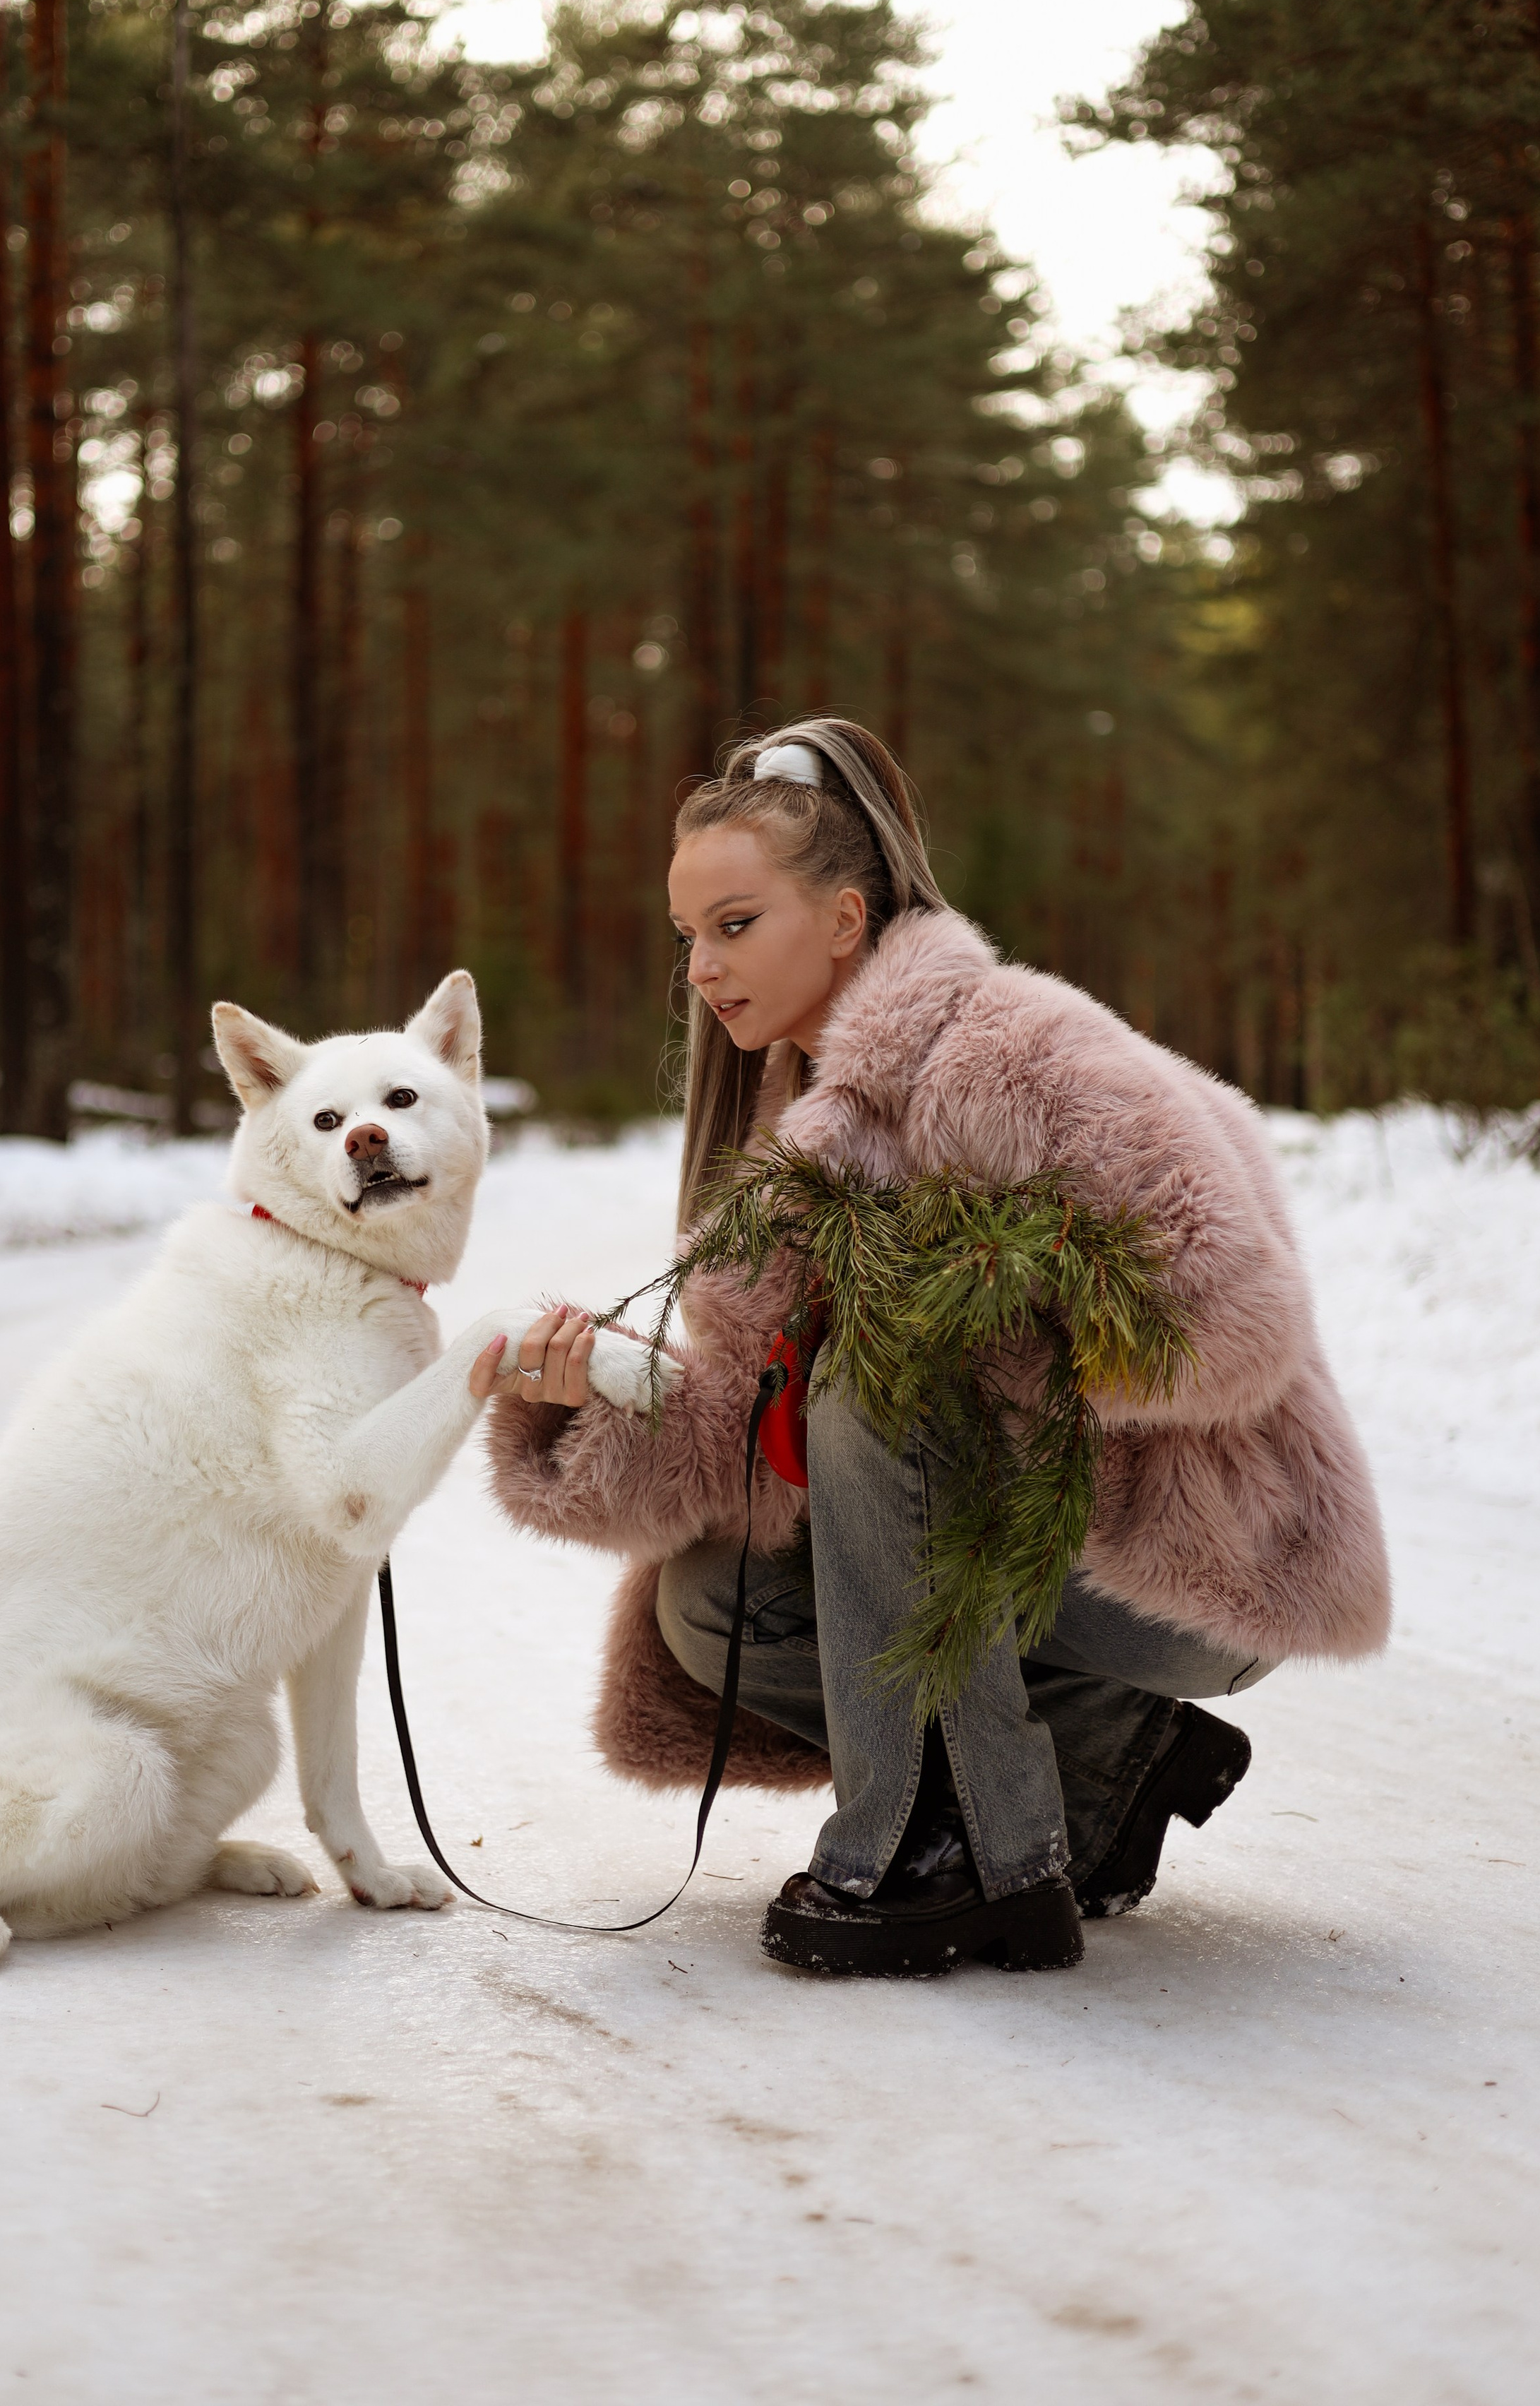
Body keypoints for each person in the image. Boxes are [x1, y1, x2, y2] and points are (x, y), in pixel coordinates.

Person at [470, 719, 1390, 1979]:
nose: (700, 968)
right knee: (712, 1610)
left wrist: (972, 1313)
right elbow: (762, 1438)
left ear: (845, 919)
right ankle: (1108, 1762)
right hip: (993, 1547)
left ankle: (951, 1851)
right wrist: (588, 1399)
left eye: (735, 926)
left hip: (1192, 1557)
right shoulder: (794, 1125)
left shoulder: (1008, 1050)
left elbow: (1236, 1318)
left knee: (891, 1365)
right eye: (686, 935)